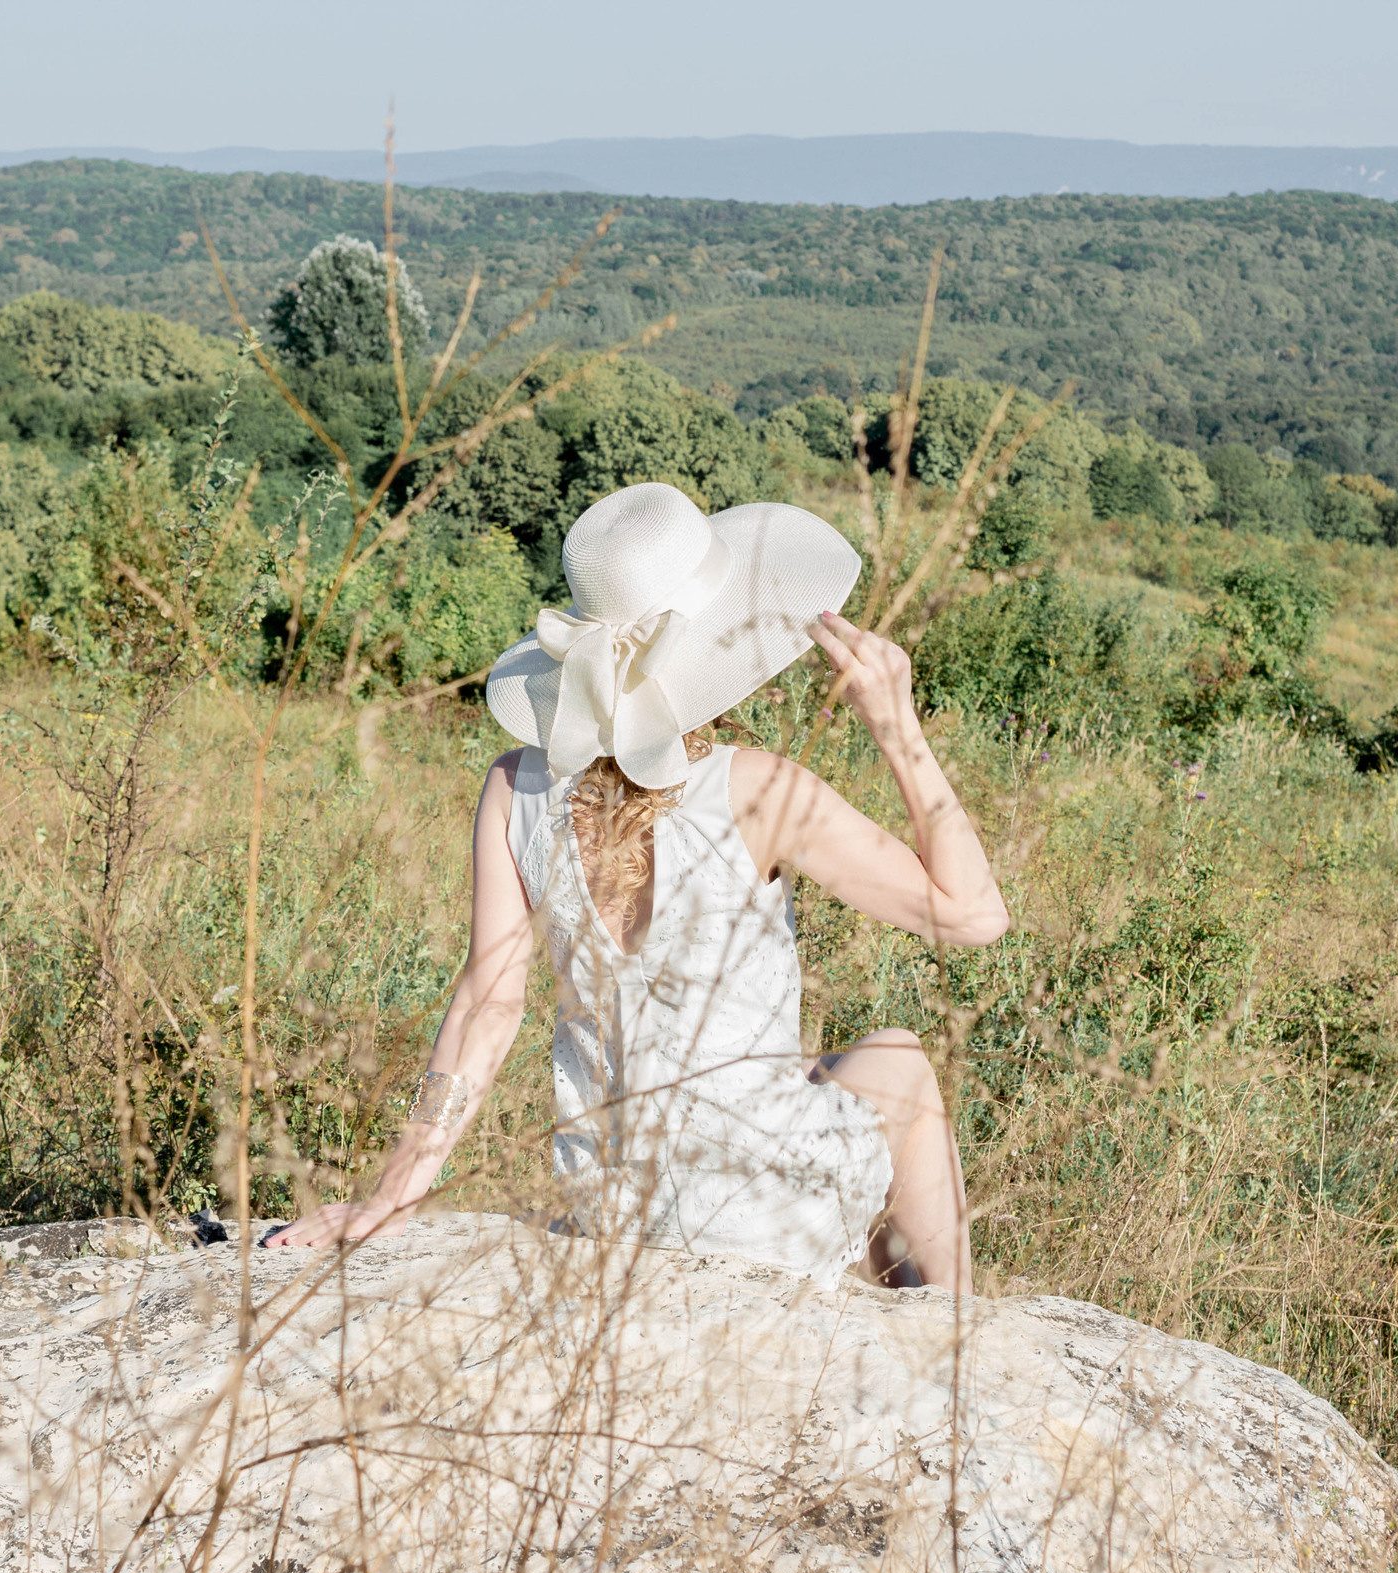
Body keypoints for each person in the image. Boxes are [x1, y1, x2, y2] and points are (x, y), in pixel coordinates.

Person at [262, 482, 1008, 1290]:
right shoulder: (756, 788)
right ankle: (950, 1334)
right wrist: (897, 725)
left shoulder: (515, 788)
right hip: (753, 1220)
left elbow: (489, 1001)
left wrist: (393, 1193)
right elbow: (974, 916)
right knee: (895, 1058)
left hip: (614, 1213)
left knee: (814, 1075)